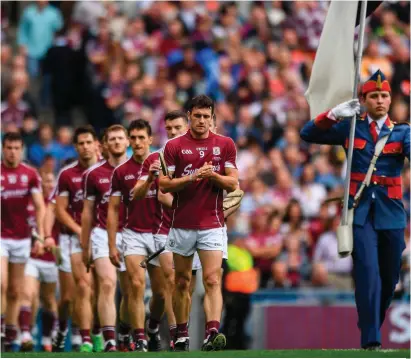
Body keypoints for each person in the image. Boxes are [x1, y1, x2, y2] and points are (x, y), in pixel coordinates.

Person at [300, 69, 410, 350]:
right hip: (360, 213)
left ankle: (371, 318)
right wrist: (334, 114)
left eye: (384, 95)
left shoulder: (402, 131)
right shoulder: (351, 127)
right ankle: (370, 338)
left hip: (391, 214)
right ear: (363, 99)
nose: (380, 100)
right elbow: (307, 133)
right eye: (374, 96)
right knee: (367, 273)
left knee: (389, 278)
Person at [160, 95, 238, 351]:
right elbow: (164, 184)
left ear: (212, 118)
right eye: (197, 116)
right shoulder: (174, 146)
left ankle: (212, 332)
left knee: (213, 279)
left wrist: (212, 175)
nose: (202, 120)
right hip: (182, 223)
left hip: (213, 223)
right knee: (182, 281)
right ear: (189, 117)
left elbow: (232, 183)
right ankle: (181, 334)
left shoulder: (225, 145)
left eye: (206, 116)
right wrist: (192, 178)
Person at [107, 120, 165, 352]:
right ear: (129, 141)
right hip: (133, 234)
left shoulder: (165, 165)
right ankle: (139, 338)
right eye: (134, 138)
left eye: (142, 137)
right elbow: (112, 209)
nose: (138, 142)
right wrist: (112, 244)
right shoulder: (121, 172)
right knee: (136, 285)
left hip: (160, 234)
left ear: (150, 140)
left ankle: (151, 328)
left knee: (161, 294)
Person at [54, 126, 102, 352]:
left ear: (96, 145)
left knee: (101, 289)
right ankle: (83, 339)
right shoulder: (67, 174)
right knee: (82, 287)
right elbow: (60, 210)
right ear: (75, 147)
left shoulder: (107, 171)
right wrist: (80, 231)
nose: (84, 147)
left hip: (102, 236)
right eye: (80, 143)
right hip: (73, 237)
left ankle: (99, 332)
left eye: (88, 142)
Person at [80, 125, 128, 352]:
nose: (117, 142)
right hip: (101, 233)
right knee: (108, 284)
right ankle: (110, 340)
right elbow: (88, 212)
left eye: (121, 138)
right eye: (112, 139)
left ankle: (130, 334)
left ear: (127, 142)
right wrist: (85, 243)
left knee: (132, 290)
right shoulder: (93, 175)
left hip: (133, 234)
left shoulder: (140, 170)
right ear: (105, 145)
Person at [1, 132, 46, 352]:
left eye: (16, 148)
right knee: (1, 283)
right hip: (1, 237)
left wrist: (40, 235)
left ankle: (10, 335)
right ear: (3, 149)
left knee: (15, 291)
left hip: (21, 238)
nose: (12, 152)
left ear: (22, 149)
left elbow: (39, 206)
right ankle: (1, 328)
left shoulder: (30, 174)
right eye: (9, 147)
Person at [19, 171, 58, 352]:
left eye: (51, 181)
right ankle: (26, 334)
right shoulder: (29, 204)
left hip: (52, 260)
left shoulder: (57, 205)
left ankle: (47, 339)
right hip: (31, 258)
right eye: (45, 181)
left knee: (49, 300)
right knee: (28, 294)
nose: (48, 185)